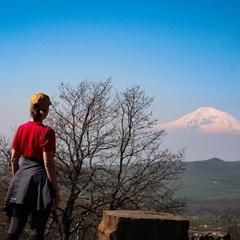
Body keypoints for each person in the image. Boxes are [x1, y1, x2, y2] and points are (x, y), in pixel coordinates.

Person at [3, 92, 60, 240]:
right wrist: (55, 191)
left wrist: (17, 181)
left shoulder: (21, 129)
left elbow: (14, 159)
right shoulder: (47, 132)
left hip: (22, 178)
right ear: (45, 111)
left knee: (13, 231)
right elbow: (48, 163)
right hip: (40, 183)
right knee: (37, 232)